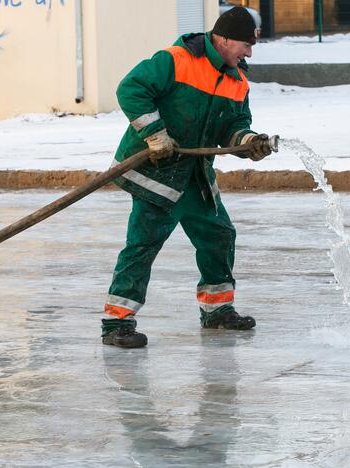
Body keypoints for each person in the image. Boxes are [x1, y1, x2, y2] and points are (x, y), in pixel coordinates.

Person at [102, 7, 276, 348]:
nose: (249, 53)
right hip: (157, 174)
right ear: (223, 39)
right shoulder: (176, 60)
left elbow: (233, 126)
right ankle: (116, 322)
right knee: (143, 245)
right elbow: (131, 89)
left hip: (195, 176)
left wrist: (247, 142)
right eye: (245, 44)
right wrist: (155, 133)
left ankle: (217, 311)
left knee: (219, 235)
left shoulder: (237, 79)